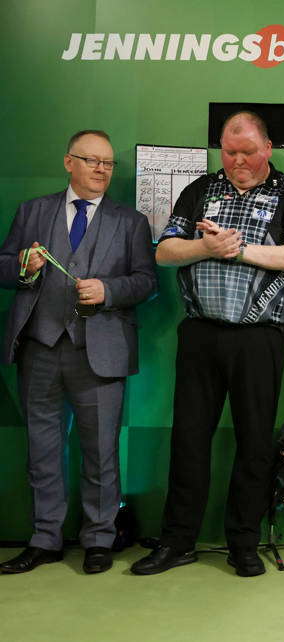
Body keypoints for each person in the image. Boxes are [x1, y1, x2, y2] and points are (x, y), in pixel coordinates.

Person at [130, 111, 284, 578]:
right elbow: (165, 250)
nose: (238, 161)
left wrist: (238, 250)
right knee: (189, 439)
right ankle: (177, 542)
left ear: (268, 148)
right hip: (200, 333)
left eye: (248, 152)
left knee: (255, 442)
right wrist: (205, 248)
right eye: (230, 152)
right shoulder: (200, 190)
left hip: (260, 337)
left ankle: (243, 543)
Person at [0, 130, 157, 574]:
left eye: (108, 163)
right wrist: (22, 268)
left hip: (101, 351)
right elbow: (3, 266)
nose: (102, 170)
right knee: (42, 449)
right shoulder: (33, 212)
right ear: (69, 162)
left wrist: (109, 290)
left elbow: (146, 283)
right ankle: (45, 538)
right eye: (92, 161)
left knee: (101, 451)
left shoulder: (131, 222)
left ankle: (99, 540)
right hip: (40, 348)